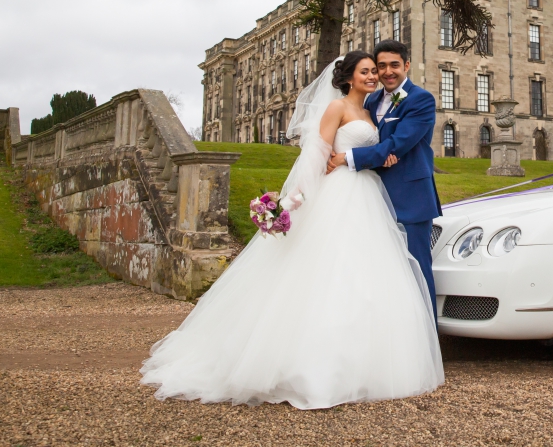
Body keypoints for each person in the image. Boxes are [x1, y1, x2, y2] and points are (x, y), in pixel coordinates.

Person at [140, 52, 443, 409]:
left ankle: (387, 353)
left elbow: (392, 144)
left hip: (368, 193)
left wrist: (372, 155)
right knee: (326, 272)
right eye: (368, 70)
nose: (376, 76)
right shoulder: (339, 108)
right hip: (339, 193)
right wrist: (293, 199)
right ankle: (311, 362)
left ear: (405, 66)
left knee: (371, 274)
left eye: (377, 70)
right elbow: (316, 153)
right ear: (348, 77)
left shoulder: (377, 105)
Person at [326, 40, 442, 306]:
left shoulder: (421, 99)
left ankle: (427, 342)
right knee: (381, 274)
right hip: (371, 198)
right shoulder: (372, 99)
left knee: (416, 271)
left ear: (407, 65)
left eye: (394, 65)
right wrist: (379, 156)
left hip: (409, 197)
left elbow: (397, 144)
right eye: (381, 67)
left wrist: (348, 157)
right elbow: (378, 144)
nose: (388, 72)